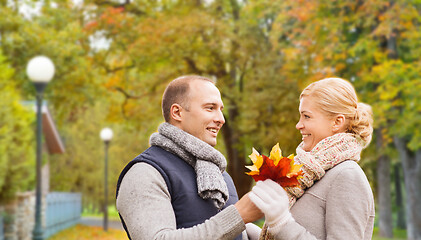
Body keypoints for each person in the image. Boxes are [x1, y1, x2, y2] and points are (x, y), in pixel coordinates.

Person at [116, 75, 262, 240]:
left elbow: (223, 227)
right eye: (210, 108)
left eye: (221, 109)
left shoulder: (219, 174)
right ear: (177, 112)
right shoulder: (145, 173)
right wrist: (238, 216)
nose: (221, 119)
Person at [248, 77, 375, 240]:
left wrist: (281, 222)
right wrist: (247, 230)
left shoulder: (347, 176)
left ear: (337, 122)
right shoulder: (309, 174)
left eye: (306, 116)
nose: (298, 125)